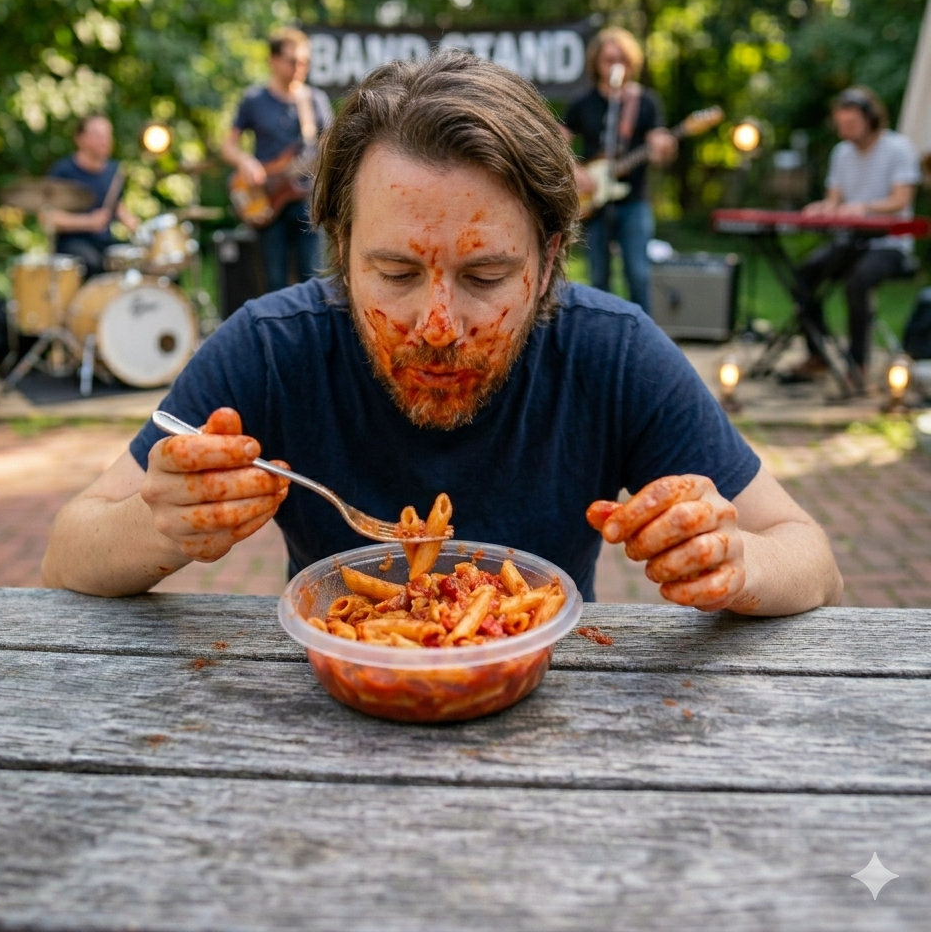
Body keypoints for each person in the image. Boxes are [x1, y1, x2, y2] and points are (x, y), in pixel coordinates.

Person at [42, 51, 842, 617]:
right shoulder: (271, 349)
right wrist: (164, 521)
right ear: (342, 252)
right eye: (393, 272)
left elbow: (812, 560)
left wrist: (736, 563)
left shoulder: (610, 351)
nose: (437, 329)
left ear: (549, 257)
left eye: (485, 276)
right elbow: (67, 554)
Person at [790, 87, 921, 383]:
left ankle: (857, 363)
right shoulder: (842, 153)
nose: (845, 132)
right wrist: (822, 208)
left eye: (851, 125)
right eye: (840, 126)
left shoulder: (898, 148)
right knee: (803, 275)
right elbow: (834, 199)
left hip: (891, 244)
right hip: (850, 241)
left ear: (871, 119)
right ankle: (818, 352)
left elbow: (901, 200)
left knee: (858, 280)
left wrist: (865, 208)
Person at [561, 27, 677, 315]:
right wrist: (575, 170)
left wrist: (664, 146)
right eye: (608, 59)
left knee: (638, 273)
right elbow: (555, 141)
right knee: (598, 276)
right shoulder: (583, 103)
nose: (616, 66)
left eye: (622, 59)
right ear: (596, 64)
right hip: (594, 203)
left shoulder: (646, 102)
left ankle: (643, 340)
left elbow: (661, 150)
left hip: (634, 201)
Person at [221, 27, 334, 292]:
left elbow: (331, 147)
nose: (300, 67)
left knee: (314, 283)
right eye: (292, 61)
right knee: (274, 283)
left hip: (305, 202)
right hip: (267, 200)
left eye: (305, 62)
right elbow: (228, 145)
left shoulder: (314, 100)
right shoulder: (254, 100)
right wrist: (246, 162)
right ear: (273, 60)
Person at [46, 114, 139, 275]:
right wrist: (88, 222)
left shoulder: (114, 171)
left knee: (140, 258)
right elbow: (49, 218)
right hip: (72, 243)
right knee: (93, 262)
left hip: (104, 242)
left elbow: (118, 208)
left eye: (108, 135)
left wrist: (139, 228)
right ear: (80, 138)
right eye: (98, 135)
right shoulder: (64, 171)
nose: (104, 140)